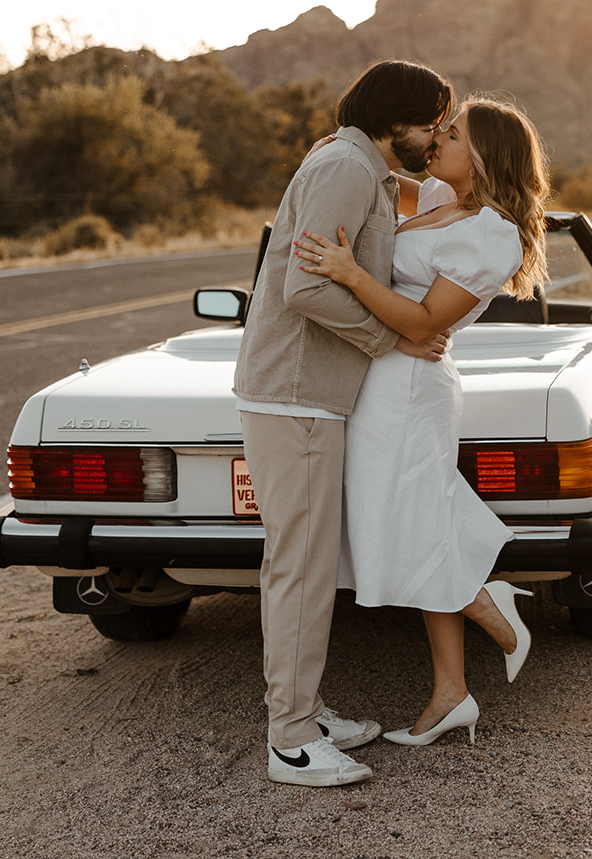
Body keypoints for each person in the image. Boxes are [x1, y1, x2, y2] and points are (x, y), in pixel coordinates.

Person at [292, 93, 551, 746]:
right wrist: (345, 147)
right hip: (379, 377)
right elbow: (386, 190)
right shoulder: (438, 193)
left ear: (485, 154)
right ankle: (452, 690)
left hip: (410, 386)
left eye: (453, 133)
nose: (438, 139)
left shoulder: (490, 233)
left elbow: (422, 322)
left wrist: (349, 273)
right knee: (422, 521)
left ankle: (496, 620)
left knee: (408, 525)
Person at [233, 59, 456, 787]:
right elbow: (302, 287)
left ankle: (307, 710)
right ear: (394, 119)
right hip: (296, 392)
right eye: (430, 121)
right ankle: (292, 741)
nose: (435, 135)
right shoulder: (348, 169)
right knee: (299, 567)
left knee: (311, 564)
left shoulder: (366, 170)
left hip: (312, 394)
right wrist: (390, 338)